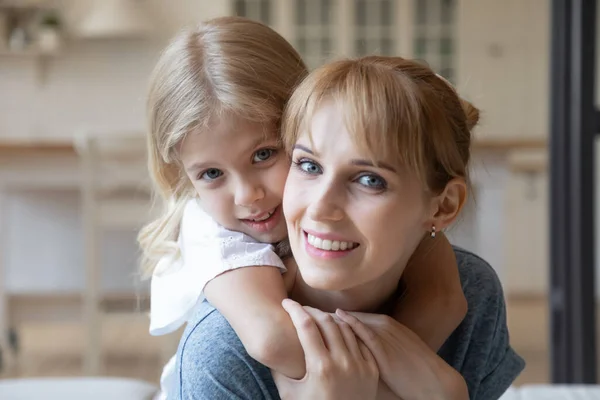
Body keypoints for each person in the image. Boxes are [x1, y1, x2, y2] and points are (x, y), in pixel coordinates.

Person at [138, 17, 469, 399]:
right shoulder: (211, 234)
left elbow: (444, 298)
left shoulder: (466, 276)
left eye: (264, 154)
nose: (247, 195)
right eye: (212, 173)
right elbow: (272, 338)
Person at [173, 55, 525, 399]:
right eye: (308, 165)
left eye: (370, 180)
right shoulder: (223, 351)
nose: (321, 208)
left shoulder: (472, 293)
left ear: (443, 205)